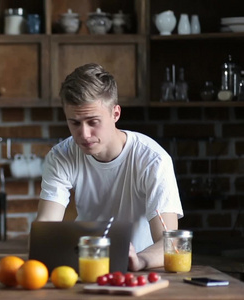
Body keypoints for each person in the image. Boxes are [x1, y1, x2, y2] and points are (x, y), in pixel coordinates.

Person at [36, 63, 183, 271]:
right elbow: (46, 228)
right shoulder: (61, 156)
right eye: (75, 123)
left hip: (139, 272)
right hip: (83, 266)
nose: (84, 134)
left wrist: (138, 260)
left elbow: (171, 244)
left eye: (93, 121)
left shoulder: (153, 160)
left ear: (115, 114)